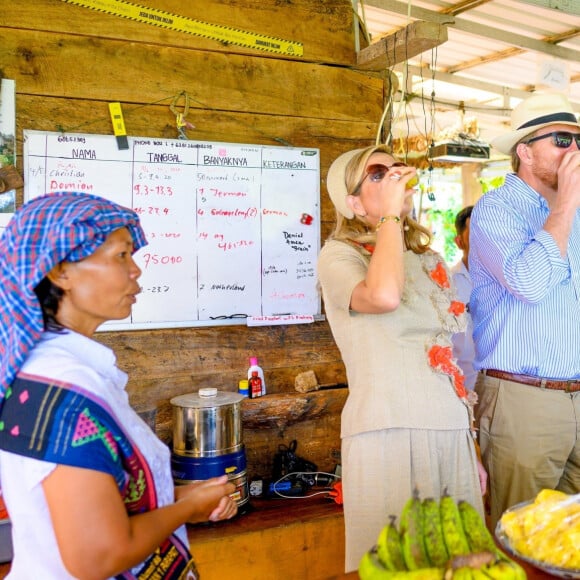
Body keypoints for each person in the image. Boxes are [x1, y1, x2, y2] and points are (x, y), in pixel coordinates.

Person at [0, 192, 238, 579]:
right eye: (121, 256)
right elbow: (98, 555)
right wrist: (185, 510)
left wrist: (183, 497)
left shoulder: (51, 372)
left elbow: (101, 505)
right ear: (60, 272)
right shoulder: (64, 390)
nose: (136, 271)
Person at [317, 145, 485, 573]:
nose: (394, 178)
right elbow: (384, 296)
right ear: (351, 202)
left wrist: (473, 447)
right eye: (377, 175)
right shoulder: (339, 256)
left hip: (449, 427)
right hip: (386, 429)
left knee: (463, 564)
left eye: (396, 170)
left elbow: (447, 359)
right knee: (396, 567)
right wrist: (391, 216)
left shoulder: (428, 259)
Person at [470, 91, 580, 529]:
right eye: (560, 140)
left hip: (576, 393)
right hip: (523, 400)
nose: (574, 152)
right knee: (522, 538)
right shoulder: (495, 209)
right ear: (524, 152)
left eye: (579, 141)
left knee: (569, 547)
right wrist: (566, 203)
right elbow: (529, 284)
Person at [451, 206, 477, 391]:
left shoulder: (511, 280)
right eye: (474, 234)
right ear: (459, 242)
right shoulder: (446, 284)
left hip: (504, 387)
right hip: (462, 384)